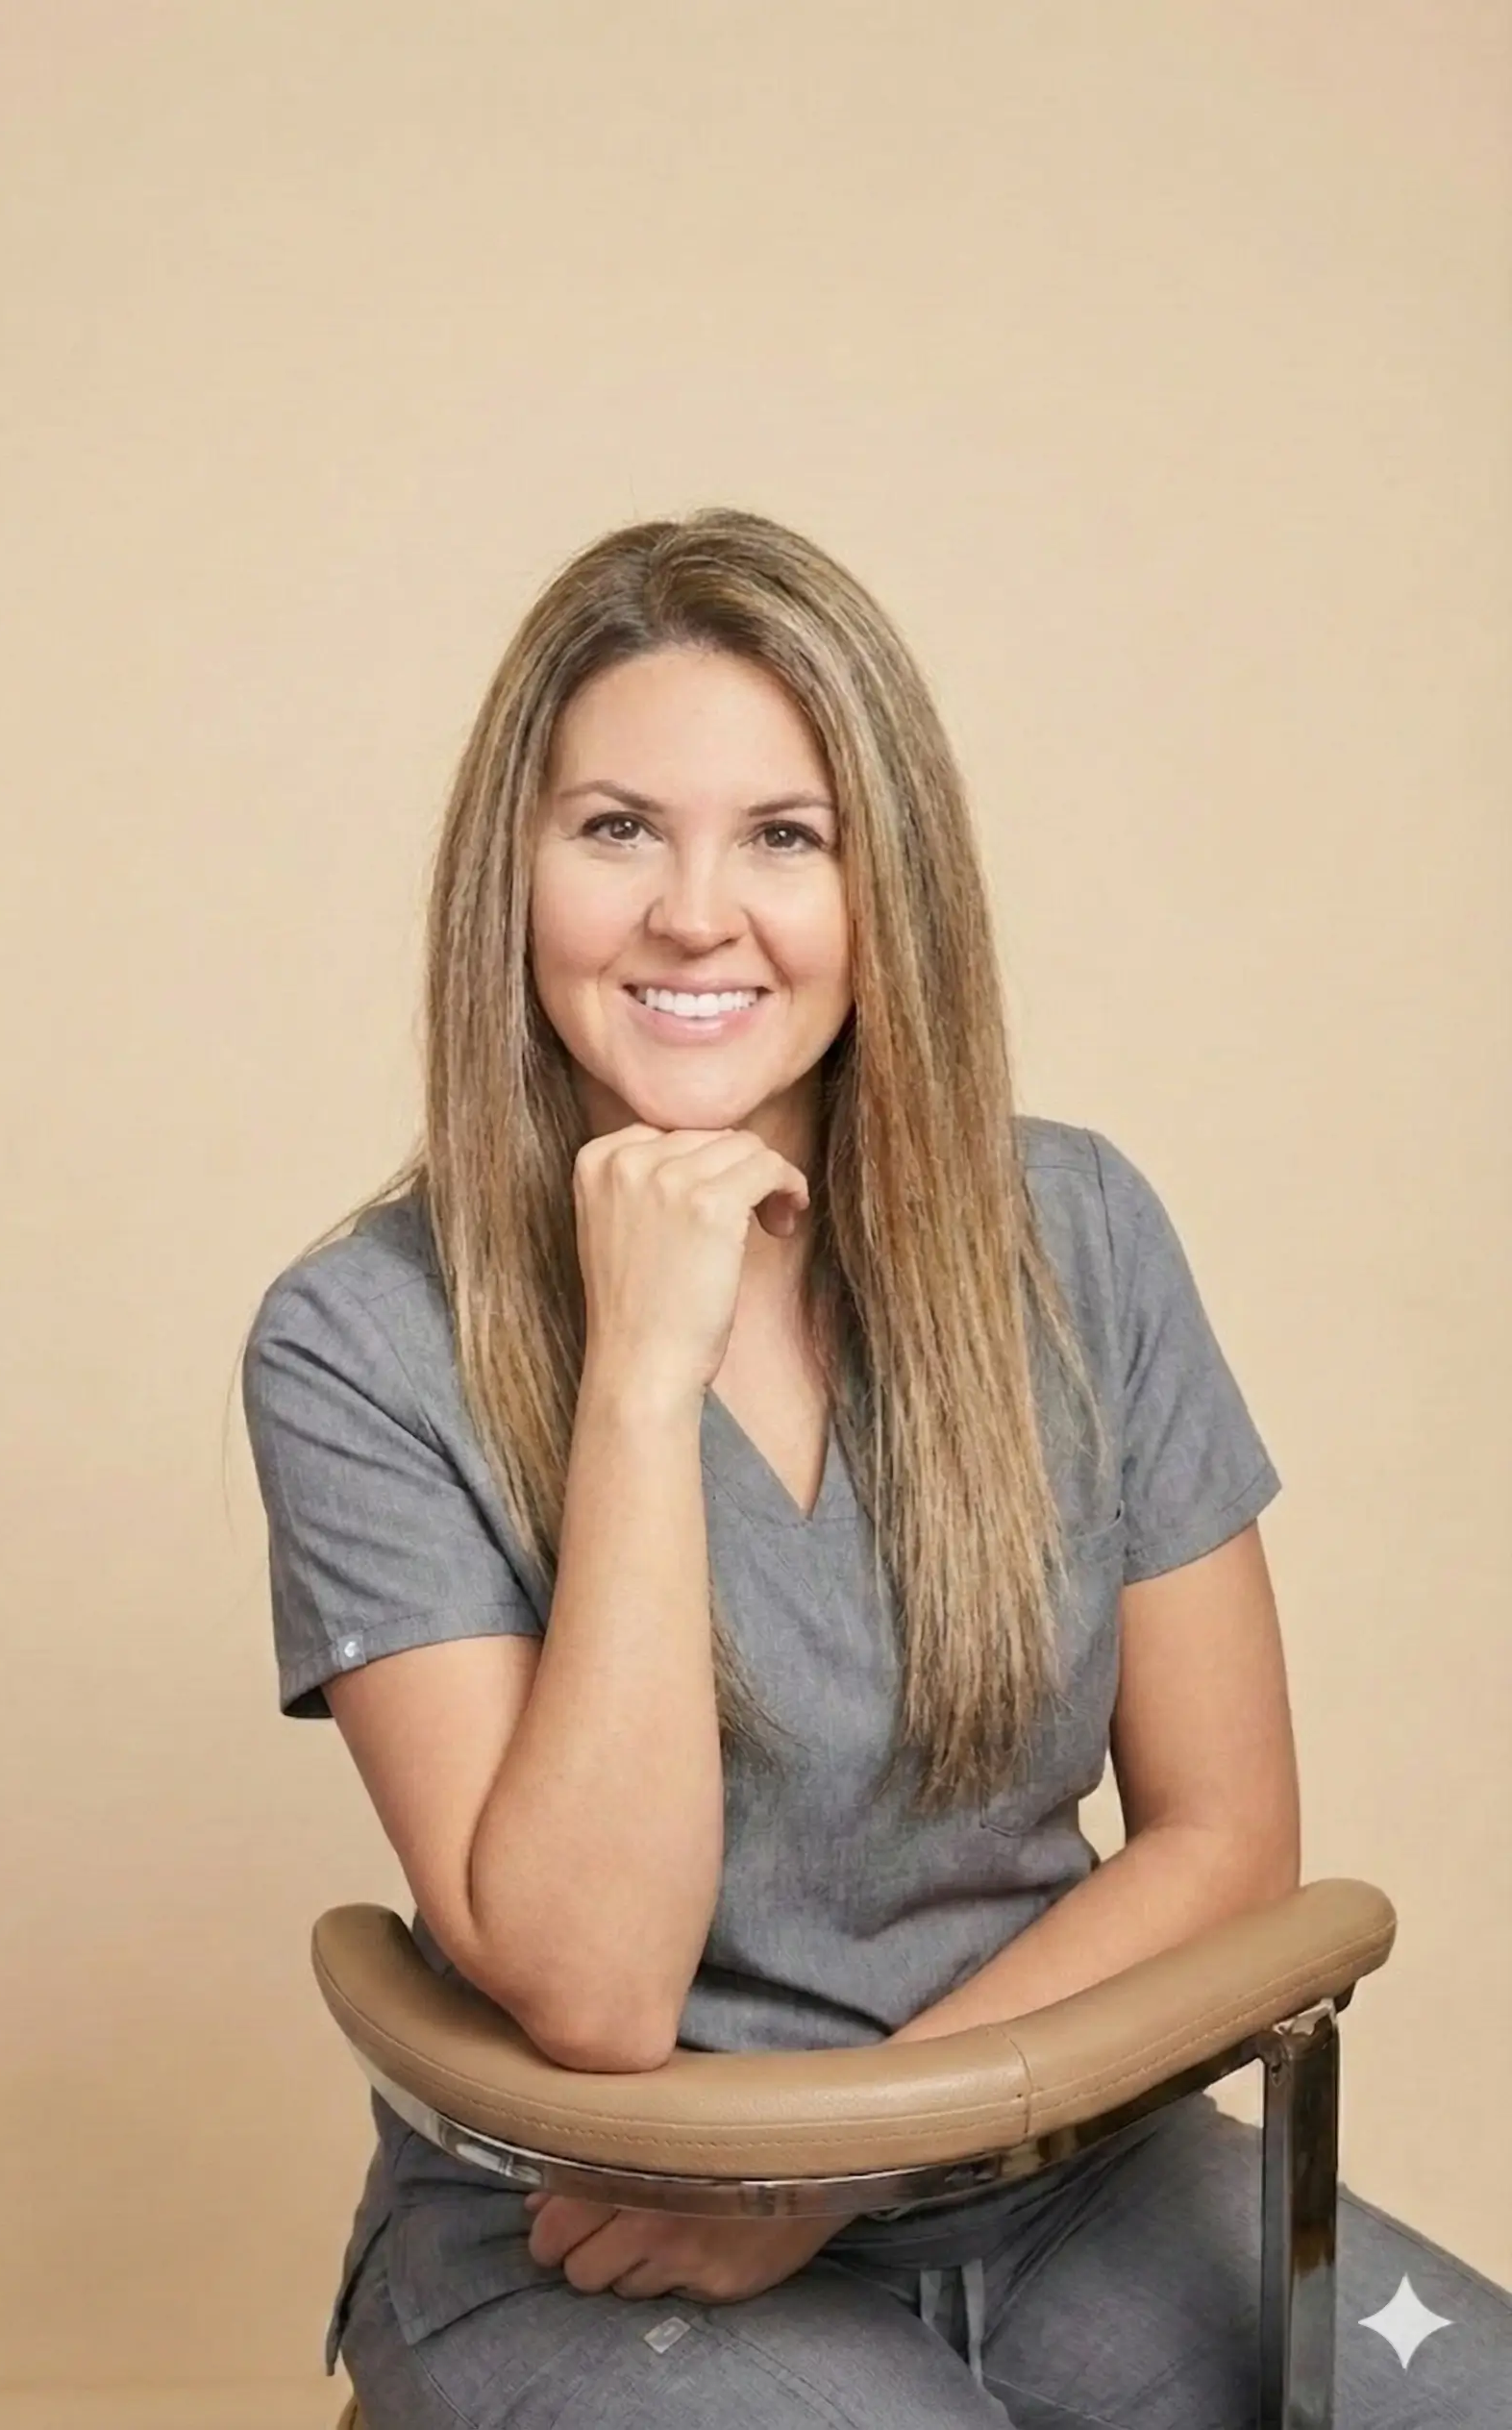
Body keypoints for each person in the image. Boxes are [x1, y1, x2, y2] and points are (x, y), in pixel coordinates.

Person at [241, 508, 1509, 2427]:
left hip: (1057, 2162)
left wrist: (845, 2157)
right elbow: (588, 1989)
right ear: (507, 875)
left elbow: (1222, 1839)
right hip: (599, 2233)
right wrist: (637, 1381)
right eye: (613, 829)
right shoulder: (356, 1340)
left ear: (882, 885)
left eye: (782, 834)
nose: (691, 912)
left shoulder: (1072, 1233)